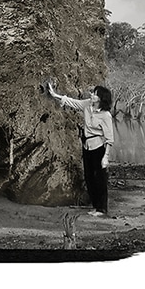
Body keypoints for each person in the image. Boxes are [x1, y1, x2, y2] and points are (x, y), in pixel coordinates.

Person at [45, 78, 114, 217]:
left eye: (95, 94)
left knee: (100, 178)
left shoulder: (106, 115)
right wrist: (54, 94)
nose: (92, 95)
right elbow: (72, 102)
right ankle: (95, 206)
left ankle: (102, 209)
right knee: (89, 177)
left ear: (100, 98)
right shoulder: (87, 105)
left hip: (99, 147)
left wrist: (106, 157)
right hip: (87, 146)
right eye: (93, 93)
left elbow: (110, 139)